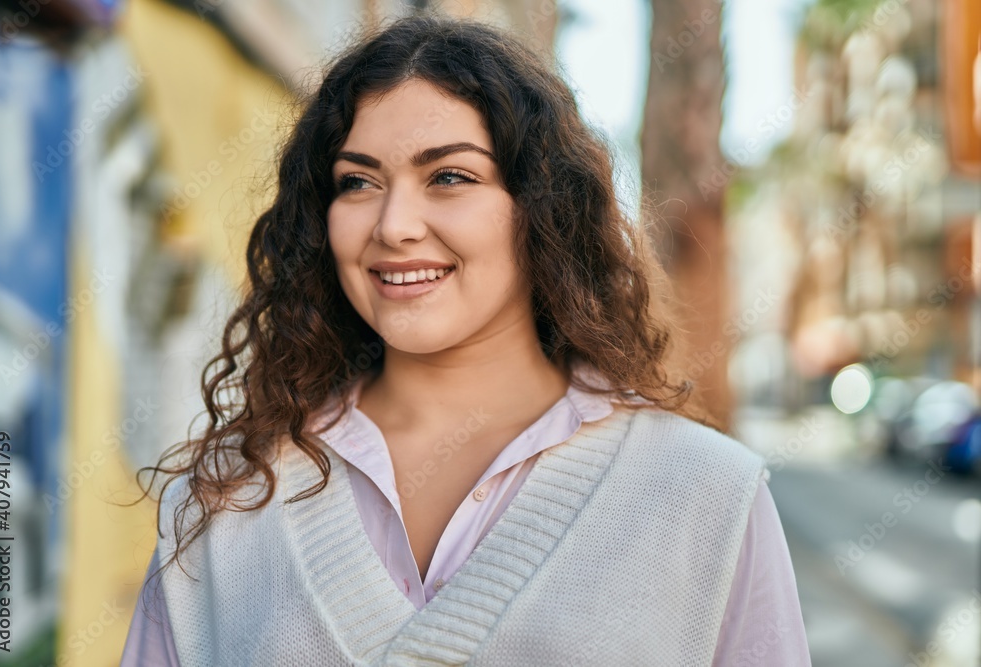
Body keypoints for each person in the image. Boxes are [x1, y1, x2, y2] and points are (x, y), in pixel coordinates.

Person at [119, 13, 811, 666]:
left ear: (539, 209)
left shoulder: (705, 494)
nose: (394, 225)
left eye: (449, 176)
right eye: (357, 182)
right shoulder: (224, 503)